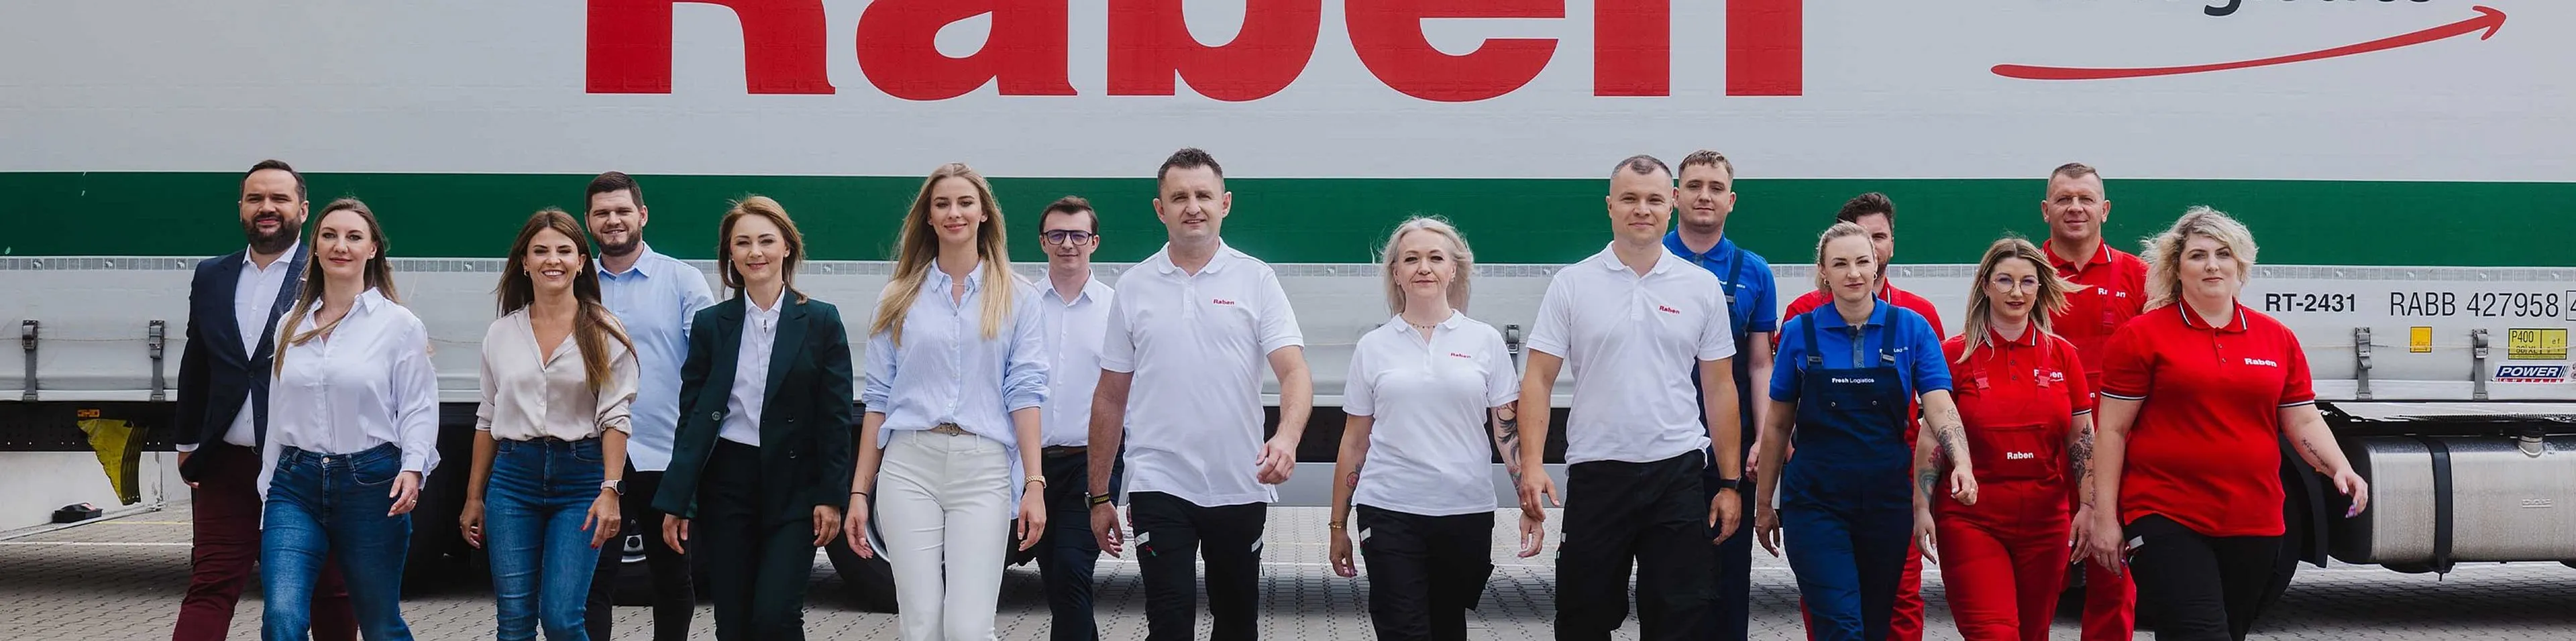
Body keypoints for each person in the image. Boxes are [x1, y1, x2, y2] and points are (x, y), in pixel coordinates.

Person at [2080, 207, 2370, 641]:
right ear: (2177, 268)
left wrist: (2340, 466)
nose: (2212, 265)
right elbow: (2112, 432)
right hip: (2165, 514)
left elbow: (2303, 418)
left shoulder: (2276, 338)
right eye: (2198, 255)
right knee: (2199, 632)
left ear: (2241, 265)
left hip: (2255, 520)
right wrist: (2105, 517)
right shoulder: (2141, 336)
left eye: (2223, 254)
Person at [1088, 148, 1314, 641]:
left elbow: (1294, 371)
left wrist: (1287, 438)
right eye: (1179, 197)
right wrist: (1100, 495)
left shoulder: (1256, 279)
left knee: (1236, 622)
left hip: (1239, 481)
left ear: (1224, 203)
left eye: (1203, 196)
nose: (1193, 207)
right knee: (1169, 622)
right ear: (1160, 209)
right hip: (1159, 480)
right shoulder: (1134, 286)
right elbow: (1110, 396)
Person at [1516, 155, 1744, 641]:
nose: (1642, 209)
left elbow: (1720, 387)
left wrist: (1730, 483)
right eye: (1630, 199)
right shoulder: (1572, 284)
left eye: (1654, 199)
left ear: (1672, 204)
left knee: (1680, 618)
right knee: (1583, 618)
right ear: (1610, 206)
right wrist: (1531, 466)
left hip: (1677, 471)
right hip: (1597, 471)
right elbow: (1537, 379)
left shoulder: (1701, 287)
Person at [843, 164, 1051, 641]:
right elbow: (878, 400)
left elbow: (1025, 394)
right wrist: (858, 493)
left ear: (984, 214)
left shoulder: (1018, 297)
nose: (954, 212)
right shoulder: (898, 297)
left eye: (964, 203)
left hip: (983, 468)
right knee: (919, 625)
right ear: (929, 218)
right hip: (909, 466)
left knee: (967, 627)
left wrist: (1034, 484)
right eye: (942, 204)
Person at [1752, 221, 1974, 641]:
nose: (1853, 273)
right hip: (1815, 503)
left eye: (1861, 262)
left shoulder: (1912, 329)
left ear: (1877, 266)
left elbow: (1940, 406)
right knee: (1840, 625)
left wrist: (1961, 460)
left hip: (1885, 504)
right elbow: (1778, 424)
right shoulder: (1800, 332)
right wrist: (1764, 505)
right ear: (1823, 272)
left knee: (1875, 625)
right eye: (1840, 264)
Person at [170, 160, 358, 641]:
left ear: (303, 209)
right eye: (256, 199)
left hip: (307, 465)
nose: (267, 208)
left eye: (279, 199)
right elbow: (197, 360)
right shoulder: (211, 275)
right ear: (241, 208)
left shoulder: (326, 273)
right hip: (226, 463)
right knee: (211, 585)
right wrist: (188, 442)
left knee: (330, 588)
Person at [653, 196, 855, 641]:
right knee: (734, 623)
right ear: (730, 254)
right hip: (728, 485)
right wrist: (680, 499)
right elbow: (692, 420)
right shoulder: (711, 324)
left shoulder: (821, 320)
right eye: (742, 243)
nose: (755, 252)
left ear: (787, 247)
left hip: (795, 487)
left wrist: (831, 495)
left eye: (766, 240)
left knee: (775, 617)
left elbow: (835, 417)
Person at [1326, 217, 1533, 641]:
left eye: (1436, 258)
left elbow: (1507, 432)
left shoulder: (1485, 341)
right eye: (1411, 259)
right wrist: (1337, 527)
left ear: (1453, 270)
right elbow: (1354, 441)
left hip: (1466, 511)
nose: (1424, 268)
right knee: (1403, 628)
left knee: (1447, 626)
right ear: (1396, 273)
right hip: (1389, 509)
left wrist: (1528, 502)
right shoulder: (1374, 347)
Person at [259, 197, 440, 641]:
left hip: (371, 484)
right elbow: (278, 412)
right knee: (282, 618)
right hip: (295, 485)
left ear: (372, 249)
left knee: (380, 625)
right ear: (315, 247)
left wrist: (414, 467)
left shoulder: (399, 325)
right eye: (330, 235)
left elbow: (418, 405)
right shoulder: (290, 325)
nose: (341, 246)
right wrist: (267, 487)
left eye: (354, 237)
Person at [461, 209, 641, 641]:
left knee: (562, 618)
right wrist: (473, 497)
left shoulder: (605, 330)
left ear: (581, 262)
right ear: (525, 262)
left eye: (564, 250)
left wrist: (611, 491)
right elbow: (487, 417)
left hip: (581, 480)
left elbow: (615, 417)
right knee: (514, 622)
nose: (552, 260)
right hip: (513, 479)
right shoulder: (501, 333)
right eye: (540, 251)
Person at [1930, 238, 2094, 641]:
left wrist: (2091, 506)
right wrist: (1921, 508)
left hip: (2046, 522)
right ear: (1986, 285)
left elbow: (2082, 439)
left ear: (2041, 288)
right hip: (1971, 518)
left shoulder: (2063, 355)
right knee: (1994, 633)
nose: (2016, 292)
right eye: (2005, 280)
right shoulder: (1953, 355)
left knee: (2033, 633)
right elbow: (1931, 439)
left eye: (2028, 282)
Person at [583, 172, 716, 641]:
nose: (613, 220)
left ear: (642, 215)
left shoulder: (682, 280)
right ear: (589, 221)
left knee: (673, 577)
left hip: (666, 453)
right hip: (594, 455)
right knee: (593, 580)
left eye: (622, 210)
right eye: (602, 213)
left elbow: (710, 367)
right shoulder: (577, 282)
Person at [1662, 150, 1777, 641]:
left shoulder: (1754, 271)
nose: (1704, 196)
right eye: (1693, 186)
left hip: (1729, 445)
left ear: (1731, 201)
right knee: (1669, 581)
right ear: (1675, 197)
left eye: (1715, 188)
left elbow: (1759, 364)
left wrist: (1764, 439)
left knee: (1728, 575)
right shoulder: (1650, 261)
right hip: (1663, 446)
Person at [2035, 162, 2147, 641]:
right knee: (2038, 580)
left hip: (2115, 452)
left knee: (2113, 577)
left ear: (2105, 210)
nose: (2075, 208)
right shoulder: (2023, 274)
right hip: (2040, 452)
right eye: (2064, 199)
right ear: (2046, 211)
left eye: (2085, 199)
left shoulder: (2138, 276)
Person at [1028, 195, 1122, 641]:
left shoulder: (1115, 309)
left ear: (1094, 242)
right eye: (1057, 235)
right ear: (1043, 242)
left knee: (1070, 568)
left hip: (1091, 464)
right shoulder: (1021, 304)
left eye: (1078, 235)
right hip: (1030, 467)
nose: (1068, 244)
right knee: (1055, 575)